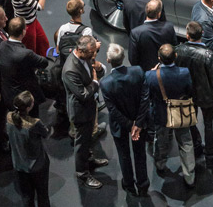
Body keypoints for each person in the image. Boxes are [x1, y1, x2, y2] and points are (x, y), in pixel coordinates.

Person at [99, 43, 149, 197]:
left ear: (108, 60)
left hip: (120, 126)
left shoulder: (105, 83)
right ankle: (143, 184)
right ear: (123, 57)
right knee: (140, 153)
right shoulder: (138, 71)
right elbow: (145, 98)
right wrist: (138, 124)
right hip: (139, 123)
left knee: (124, 155)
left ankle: (129, 184)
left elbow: (112, 110)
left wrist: (129, 126)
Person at [144, 43, 196, 187]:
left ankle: (160, 164)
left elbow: (147, 95)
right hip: (181, 113)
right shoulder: (184, 72)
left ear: (159, 58)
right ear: (176, 56)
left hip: (161, 115)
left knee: (161, 140)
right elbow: (190, 90)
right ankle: (189, 176)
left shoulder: (150, 75)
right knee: (186, 142)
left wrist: (153, 72)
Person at [61, 34, 108, 190]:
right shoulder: (70, 70)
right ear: (81, 51)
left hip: (89, 106)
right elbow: (83, 94)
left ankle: (89, 159)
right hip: (80, 111)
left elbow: (93, 73)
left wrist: (99, 71)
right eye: (91, 52)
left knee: (88, 138)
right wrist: (95, 82)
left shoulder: (86, 57)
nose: (94, 55)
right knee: (81, 143)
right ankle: (82, 173)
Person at [175, 21, 213, 169]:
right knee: (209, 125)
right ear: (202, 34)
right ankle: (211, 156)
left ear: (187, 35)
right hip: (207, 95)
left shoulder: (178, 50)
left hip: (187, 93)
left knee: (191, 122)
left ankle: (196, 146)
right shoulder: (209, 55)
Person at [6, 90, 52, 207]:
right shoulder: (34, 124)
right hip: (37, 166)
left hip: (19, 166)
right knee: (42, 195)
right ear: (28, 108)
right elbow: (45, 133)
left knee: (26, 197)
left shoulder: (9, 118)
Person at [128, 0, 177, 73]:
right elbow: (174, 47)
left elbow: (133, 59)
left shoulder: (136, 32)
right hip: (166, 70)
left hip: (146, 72)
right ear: (159, 14)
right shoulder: (169, 27)